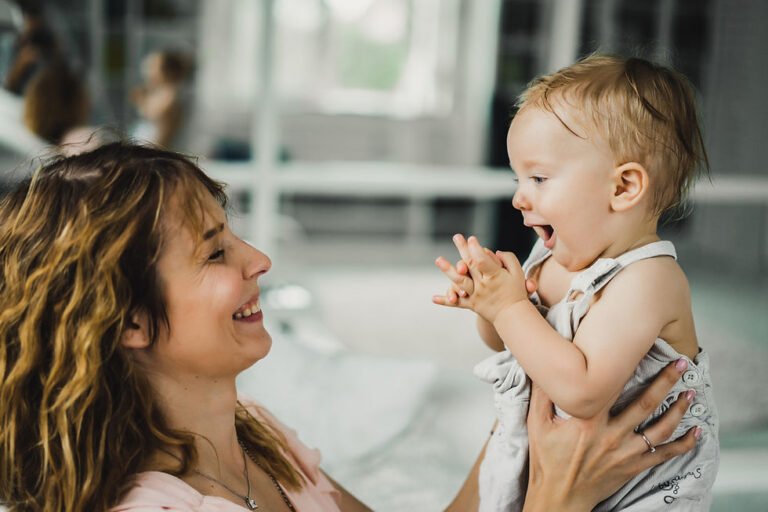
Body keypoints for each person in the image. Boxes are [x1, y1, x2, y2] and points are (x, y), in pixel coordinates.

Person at [0, 142, 698, 512]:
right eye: (215, 252)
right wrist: (556, 502)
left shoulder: (262, 441)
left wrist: (528, 407)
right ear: (129, 321)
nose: (259, 260)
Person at [434, 54, 718, 511]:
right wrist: (489, 304)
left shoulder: (649, 279)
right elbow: (506, 344)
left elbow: (582, 392)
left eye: (539, 178)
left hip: (641, 491)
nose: (518, 197)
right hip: (552, 468)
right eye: (518, 177)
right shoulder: (548, 256)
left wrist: (510, 308)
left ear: (624, 187)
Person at [130, 50, 194, 150]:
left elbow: (163, 132)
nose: (148, 71)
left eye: (153, 66)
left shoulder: (171, 97)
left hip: (155, 152)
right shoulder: (158, 93)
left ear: (167, 71)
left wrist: (142, 100)